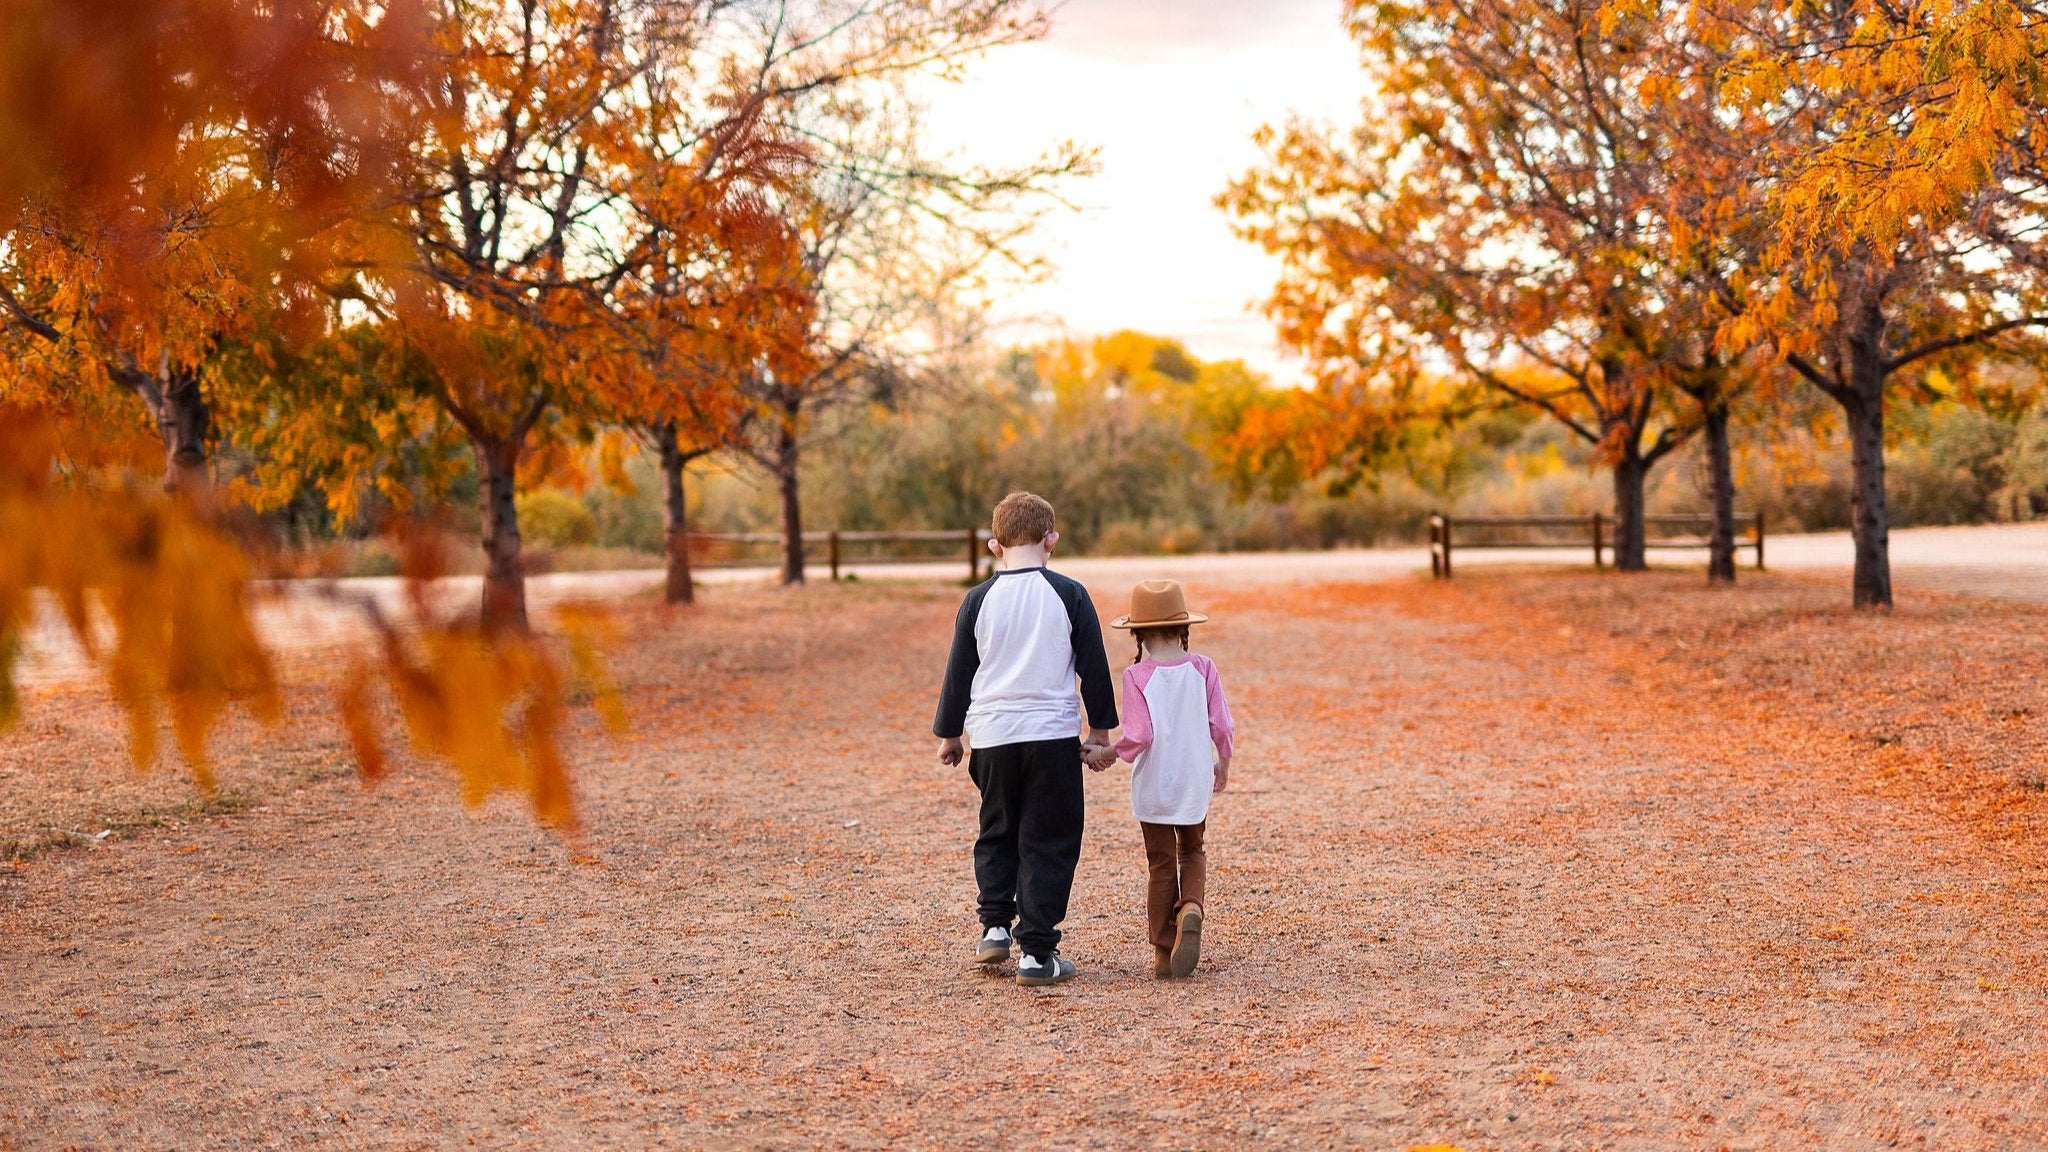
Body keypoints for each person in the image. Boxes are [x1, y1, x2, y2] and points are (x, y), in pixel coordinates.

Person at [933, 492, 1119, 987]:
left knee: (997, 830)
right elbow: (1094, 667)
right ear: (1051, 540)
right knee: (1049, 839)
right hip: (1050, 737)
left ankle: (994, 926)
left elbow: (959, 672)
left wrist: (951, 733)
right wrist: (1100, 730)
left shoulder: (977, 600)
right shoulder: (1070, 594)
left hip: (992, 737)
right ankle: (1037, 953)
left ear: (995, 546)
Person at [1110, 579, 1234, 979]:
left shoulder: (1137, 676)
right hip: (1194, 779)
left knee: (1161, 863)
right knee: (1193, 851)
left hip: (1155, 786)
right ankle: (1192, 908)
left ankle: (1164, 952)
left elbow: (1138, 736)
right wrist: (1224, 763)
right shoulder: (1203, 668)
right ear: (1184, 628)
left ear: (1138, 633)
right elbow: (1222, 725)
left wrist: (1109, 753)